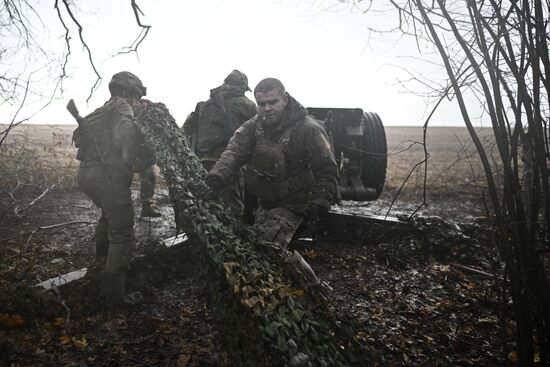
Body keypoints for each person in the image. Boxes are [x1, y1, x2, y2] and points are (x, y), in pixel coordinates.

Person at [199, 77, 338, 249]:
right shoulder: (251, 127)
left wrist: (320, 201)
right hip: (266, 203)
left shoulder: (309, 129)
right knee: (250, 245)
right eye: (261, 104)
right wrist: (215, 180)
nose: (267, 109)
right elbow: (233, 153)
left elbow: (327, 168)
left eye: (273, 102)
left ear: (285, 99)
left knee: (265, 251)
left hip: (295, 205)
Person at [75, 71, 147, 307]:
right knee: (122, 232)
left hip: (87, 175)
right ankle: (115, 298)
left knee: (107, 217)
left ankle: (100, 266)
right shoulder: (123, 107)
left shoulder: (98, 112)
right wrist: (128, 159)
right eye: (137, 96)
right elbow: (125, 131)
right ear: (130, 93)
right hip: (108, 176)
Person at [183, 70, 257, 217]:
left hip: (201, 163)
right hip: (232, 166)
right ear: (243, 87)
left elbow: (186, 130)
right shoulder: (249, 106)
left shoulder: (204, 105)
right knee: (232, 211)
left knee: (204, 208)